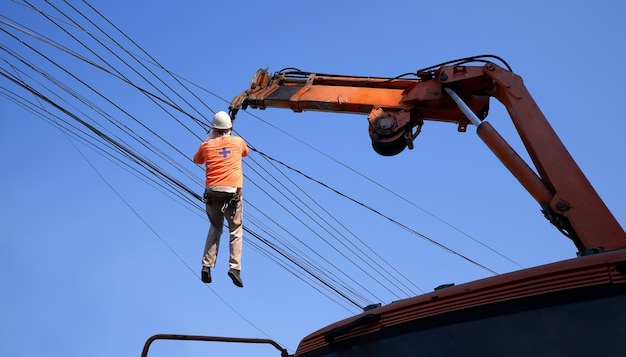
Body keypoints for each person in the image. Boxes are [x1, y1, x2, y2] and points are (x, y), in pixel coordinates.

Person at [193, 111, 249, 287]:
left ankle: (206, 266)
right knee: (236, 229)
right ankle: (235, 268)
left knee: (215, 228)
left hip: (213, 194)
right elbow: (245, 153)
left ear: (214, 128)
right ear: (229, 128)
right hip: (232, 194)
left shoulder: (206, 145)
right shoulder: (238, 142)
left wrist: (211, 140)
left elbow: (197, 160)